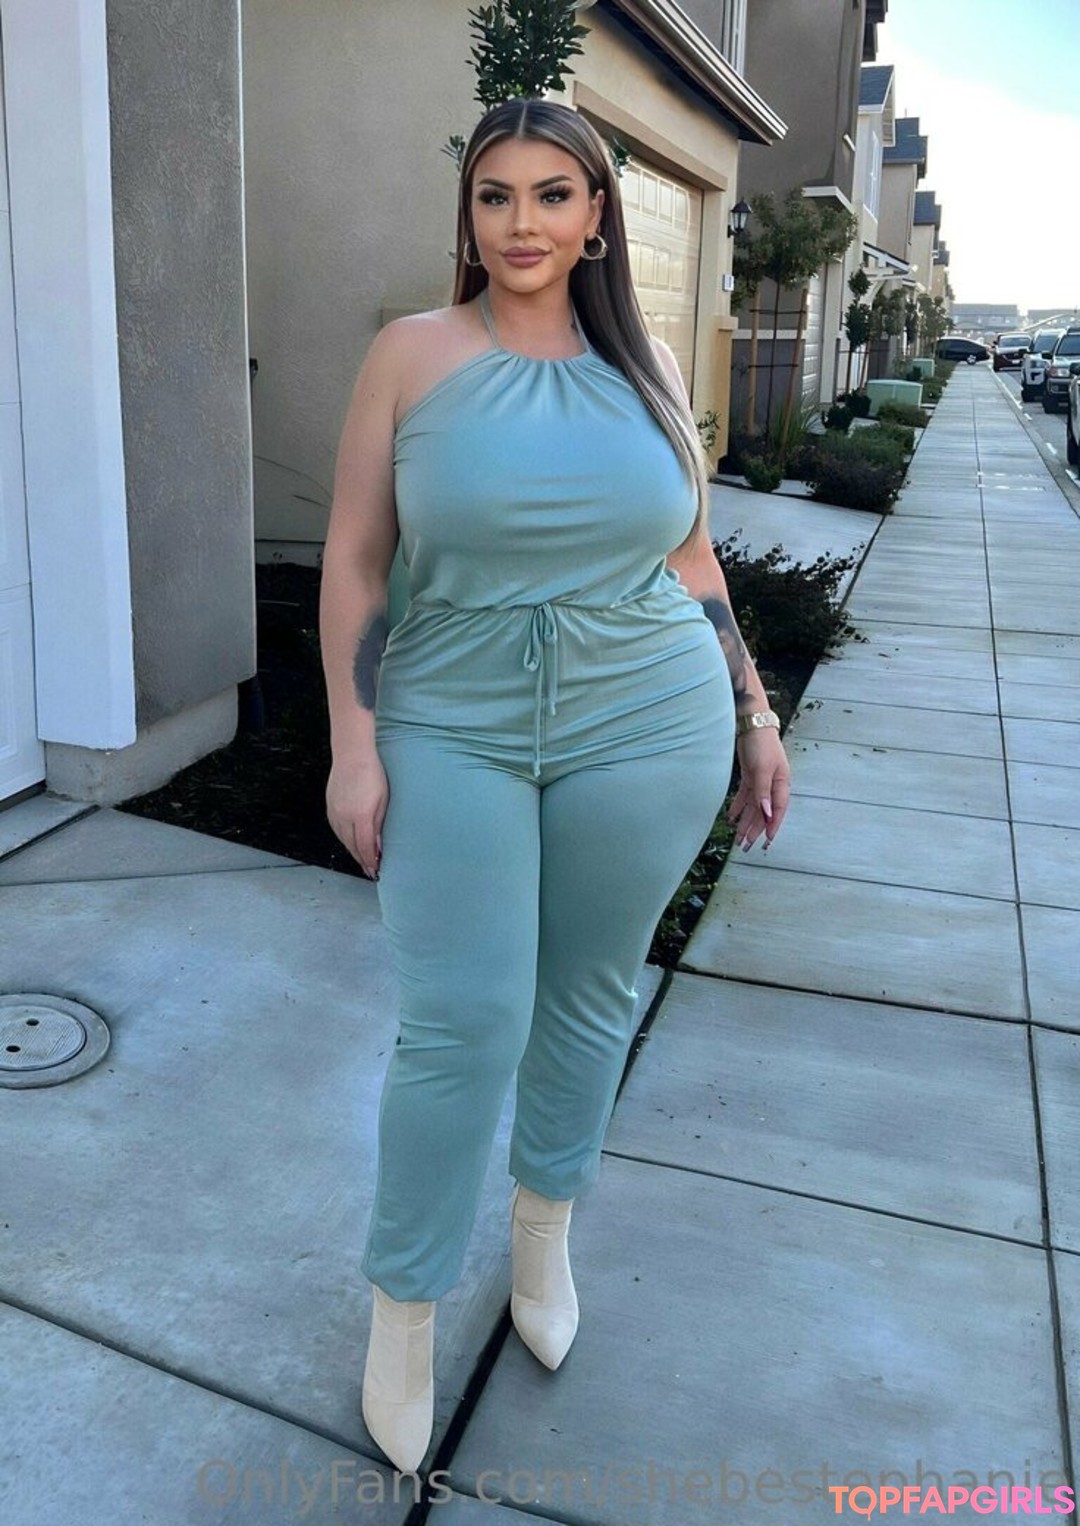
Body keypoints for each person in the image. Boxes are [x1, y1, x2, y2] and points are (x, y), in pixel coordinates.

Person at [319, 97, 790, 1475]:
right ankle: (405, 1305)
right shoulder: (412, 353)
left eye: (551, 195)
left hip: (646, 717)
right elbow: (355, 557)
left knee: (588, 993)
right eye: (494, 195)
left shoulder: (645, 370)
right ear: (468, 216)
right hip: (450, 718)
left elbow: (691, 561)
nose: (521, 223)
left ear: (596, 218)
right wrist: (354, 739)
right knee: (463, 1017)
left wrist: (754, 709)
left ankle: (543, 1236)